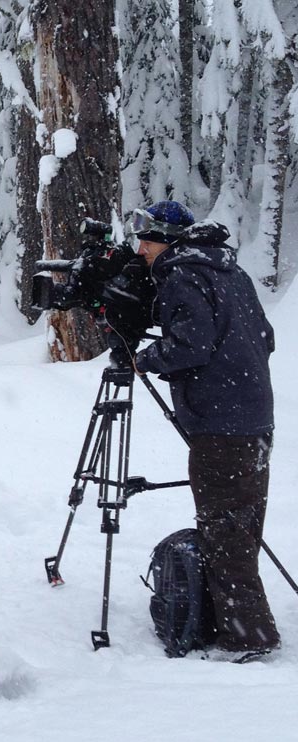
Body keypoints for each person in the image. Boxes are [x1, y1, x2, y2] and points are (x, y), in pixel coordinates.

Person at [130, 200, 280, 662]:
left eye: (148, 240)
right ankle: (230, 618)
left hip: (221, 426)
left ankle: (248, 636)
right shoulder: (229, 271)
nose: (141, 250)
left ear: (168, 241)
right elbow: (266, 337)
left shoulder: (182, 275)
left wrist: (148, 358)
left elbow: (190, 346)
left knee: (225, 528)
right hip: (253, 419)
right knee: (240, 523)